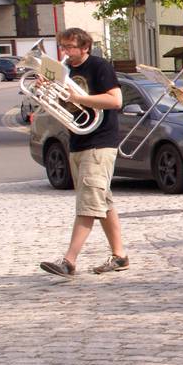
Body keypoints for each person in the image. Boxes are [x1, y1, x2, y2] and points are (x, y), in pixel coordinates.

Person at [38, 28, 129, 277]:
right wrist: (46, 90)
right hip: (78, 140)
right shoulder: (66, 71)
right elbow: (64, 104)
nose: (65, 52)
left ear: (85, 47)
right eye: (63, 47)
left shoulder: (99, 67)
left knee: (88, 204)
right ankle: (120, 256)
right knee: (102, 201)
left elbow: (115, 100)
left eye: (70, 47)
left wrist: (81, 97)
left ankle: (69, 261)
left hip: (100, 142)